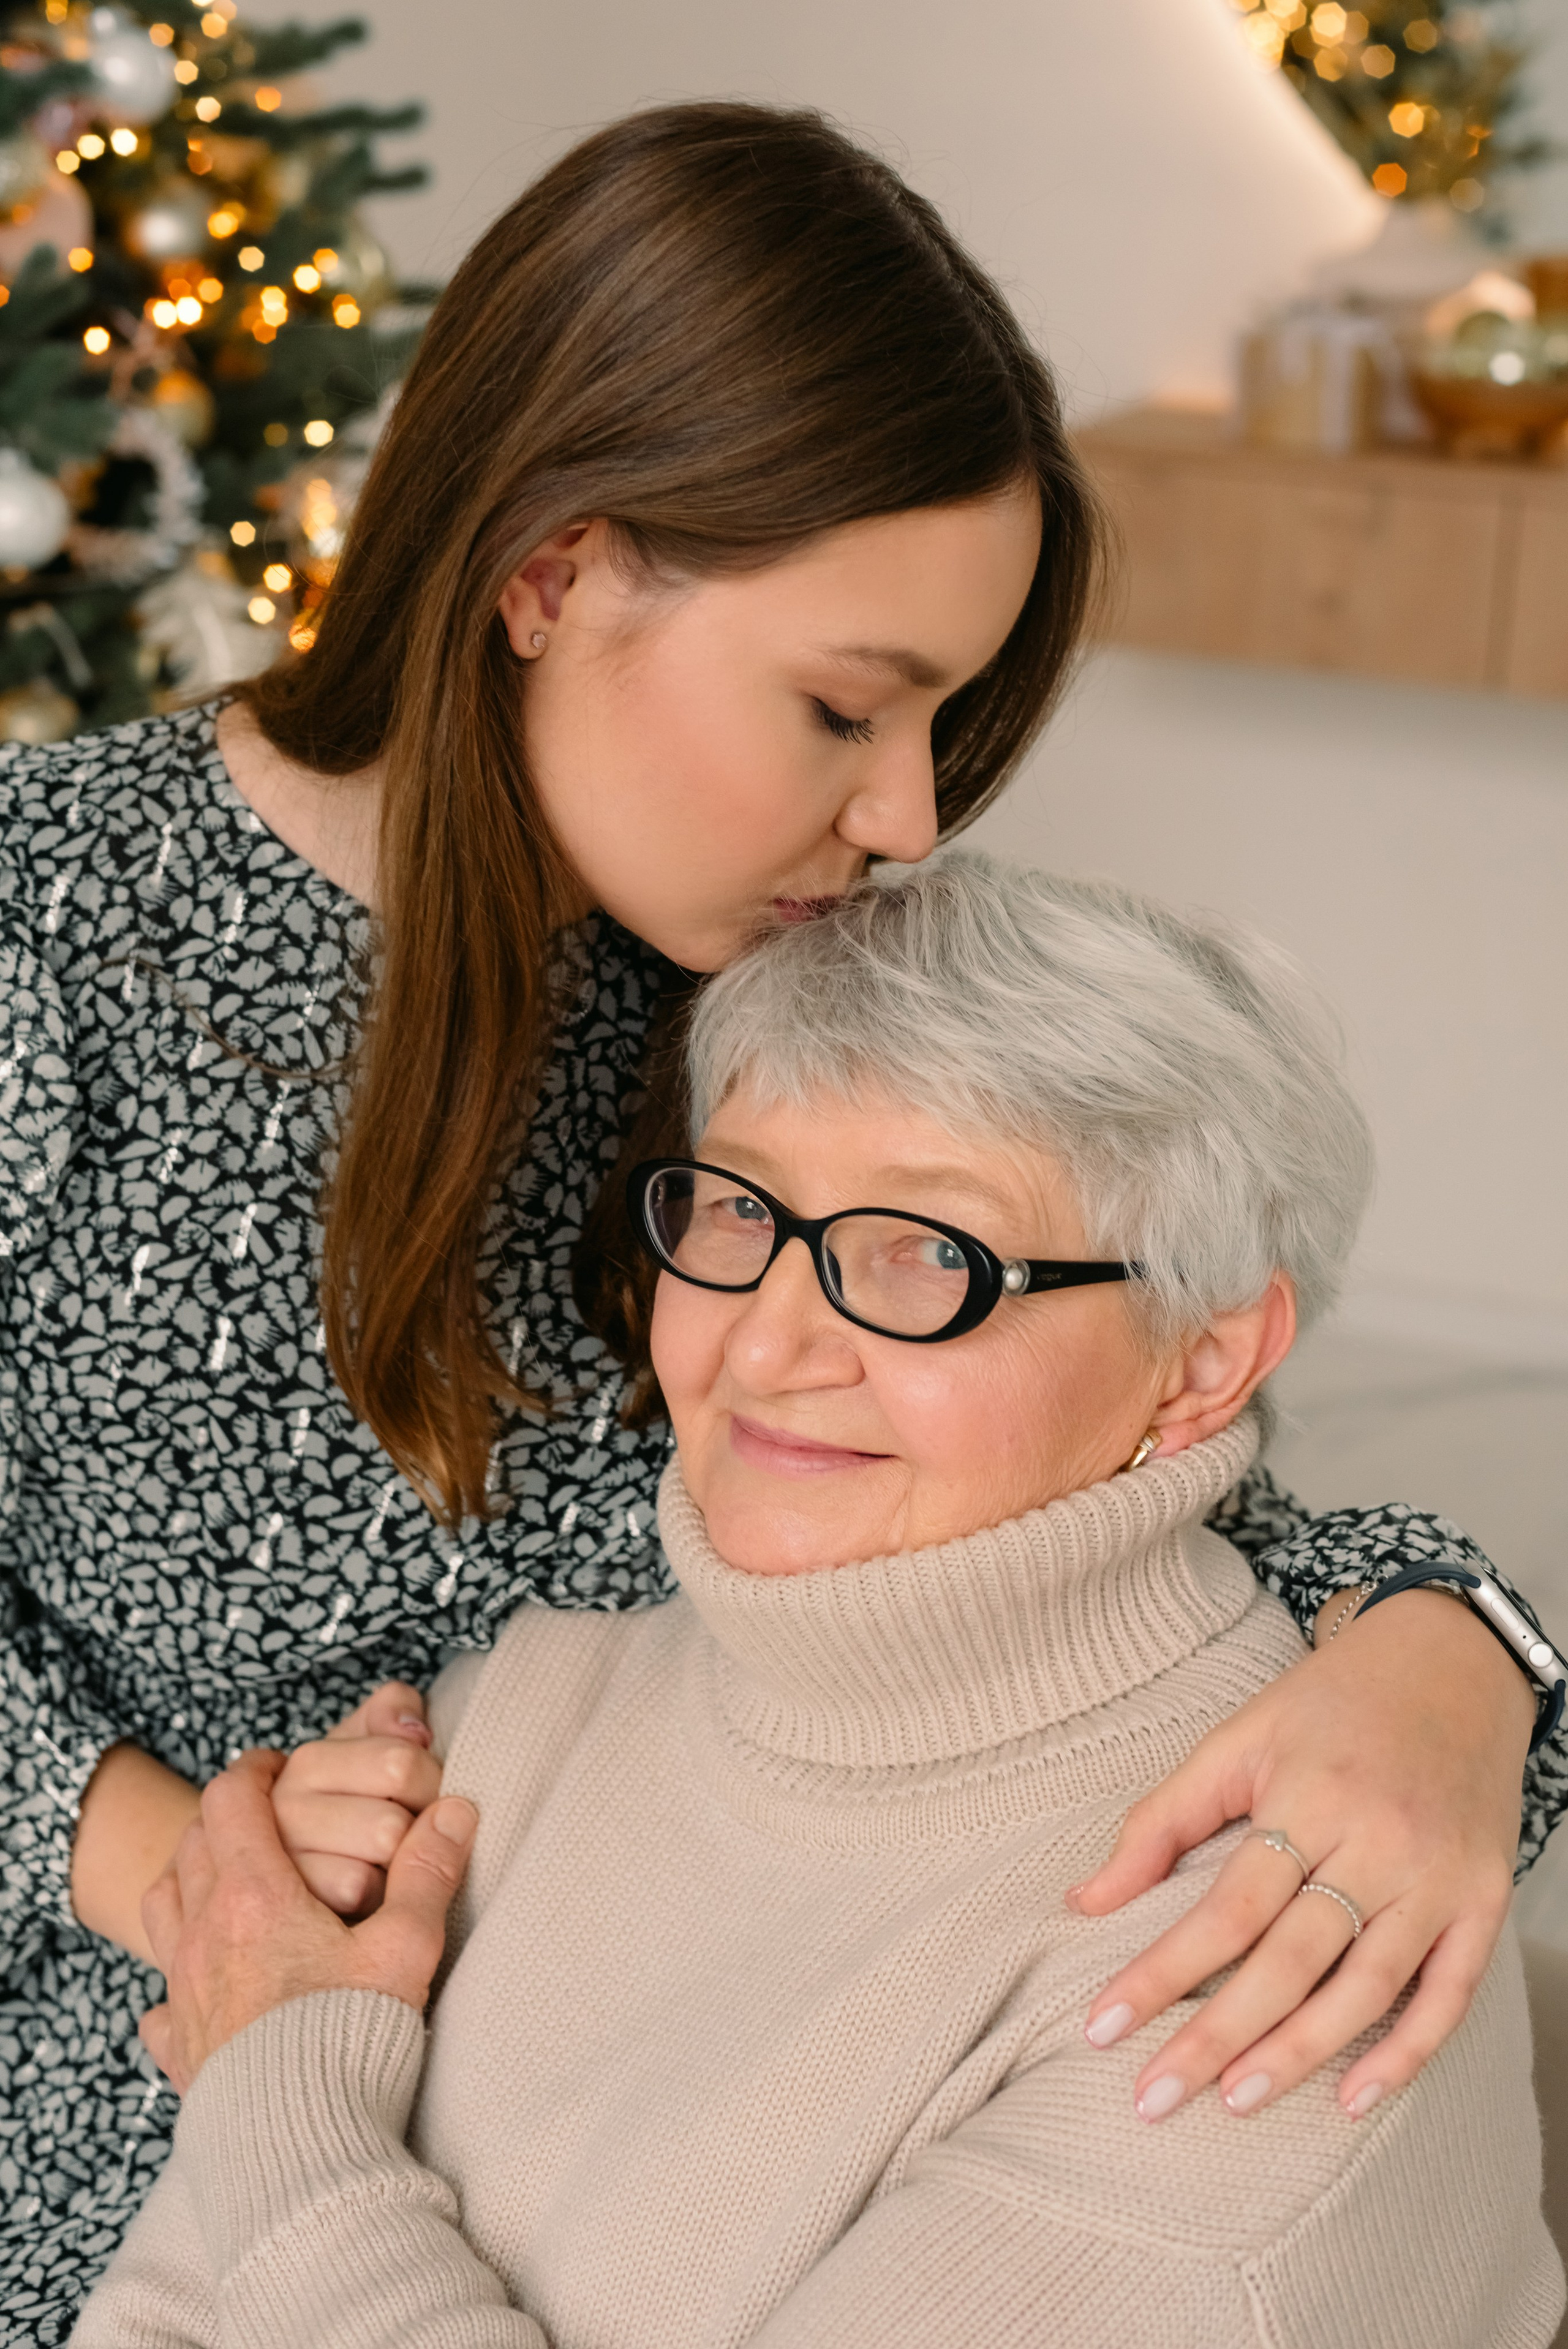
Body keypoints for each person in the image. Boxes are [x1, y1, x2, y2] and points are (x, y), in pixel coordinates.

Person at [0, 102, 1555, 2343]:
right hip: (136, 2153)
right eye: (847, 704)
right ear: (548, 572)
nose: (908, 812)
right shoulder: (47, 935)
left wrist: (1457, 1653)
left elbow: (1089, 1442)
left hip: (570, 2142)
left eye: (941, 717)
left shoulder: (759, 1021)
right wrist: (202, 1884)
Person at [77, 857, 1565, 2349]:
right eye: (738, 1210)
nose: (772, 1341)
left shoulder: (1274, 1967)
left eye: (929, 1252)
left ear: (1199, 1360)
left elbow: (259, 2201)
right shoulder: (520, 1705)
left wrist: (278, 2077)